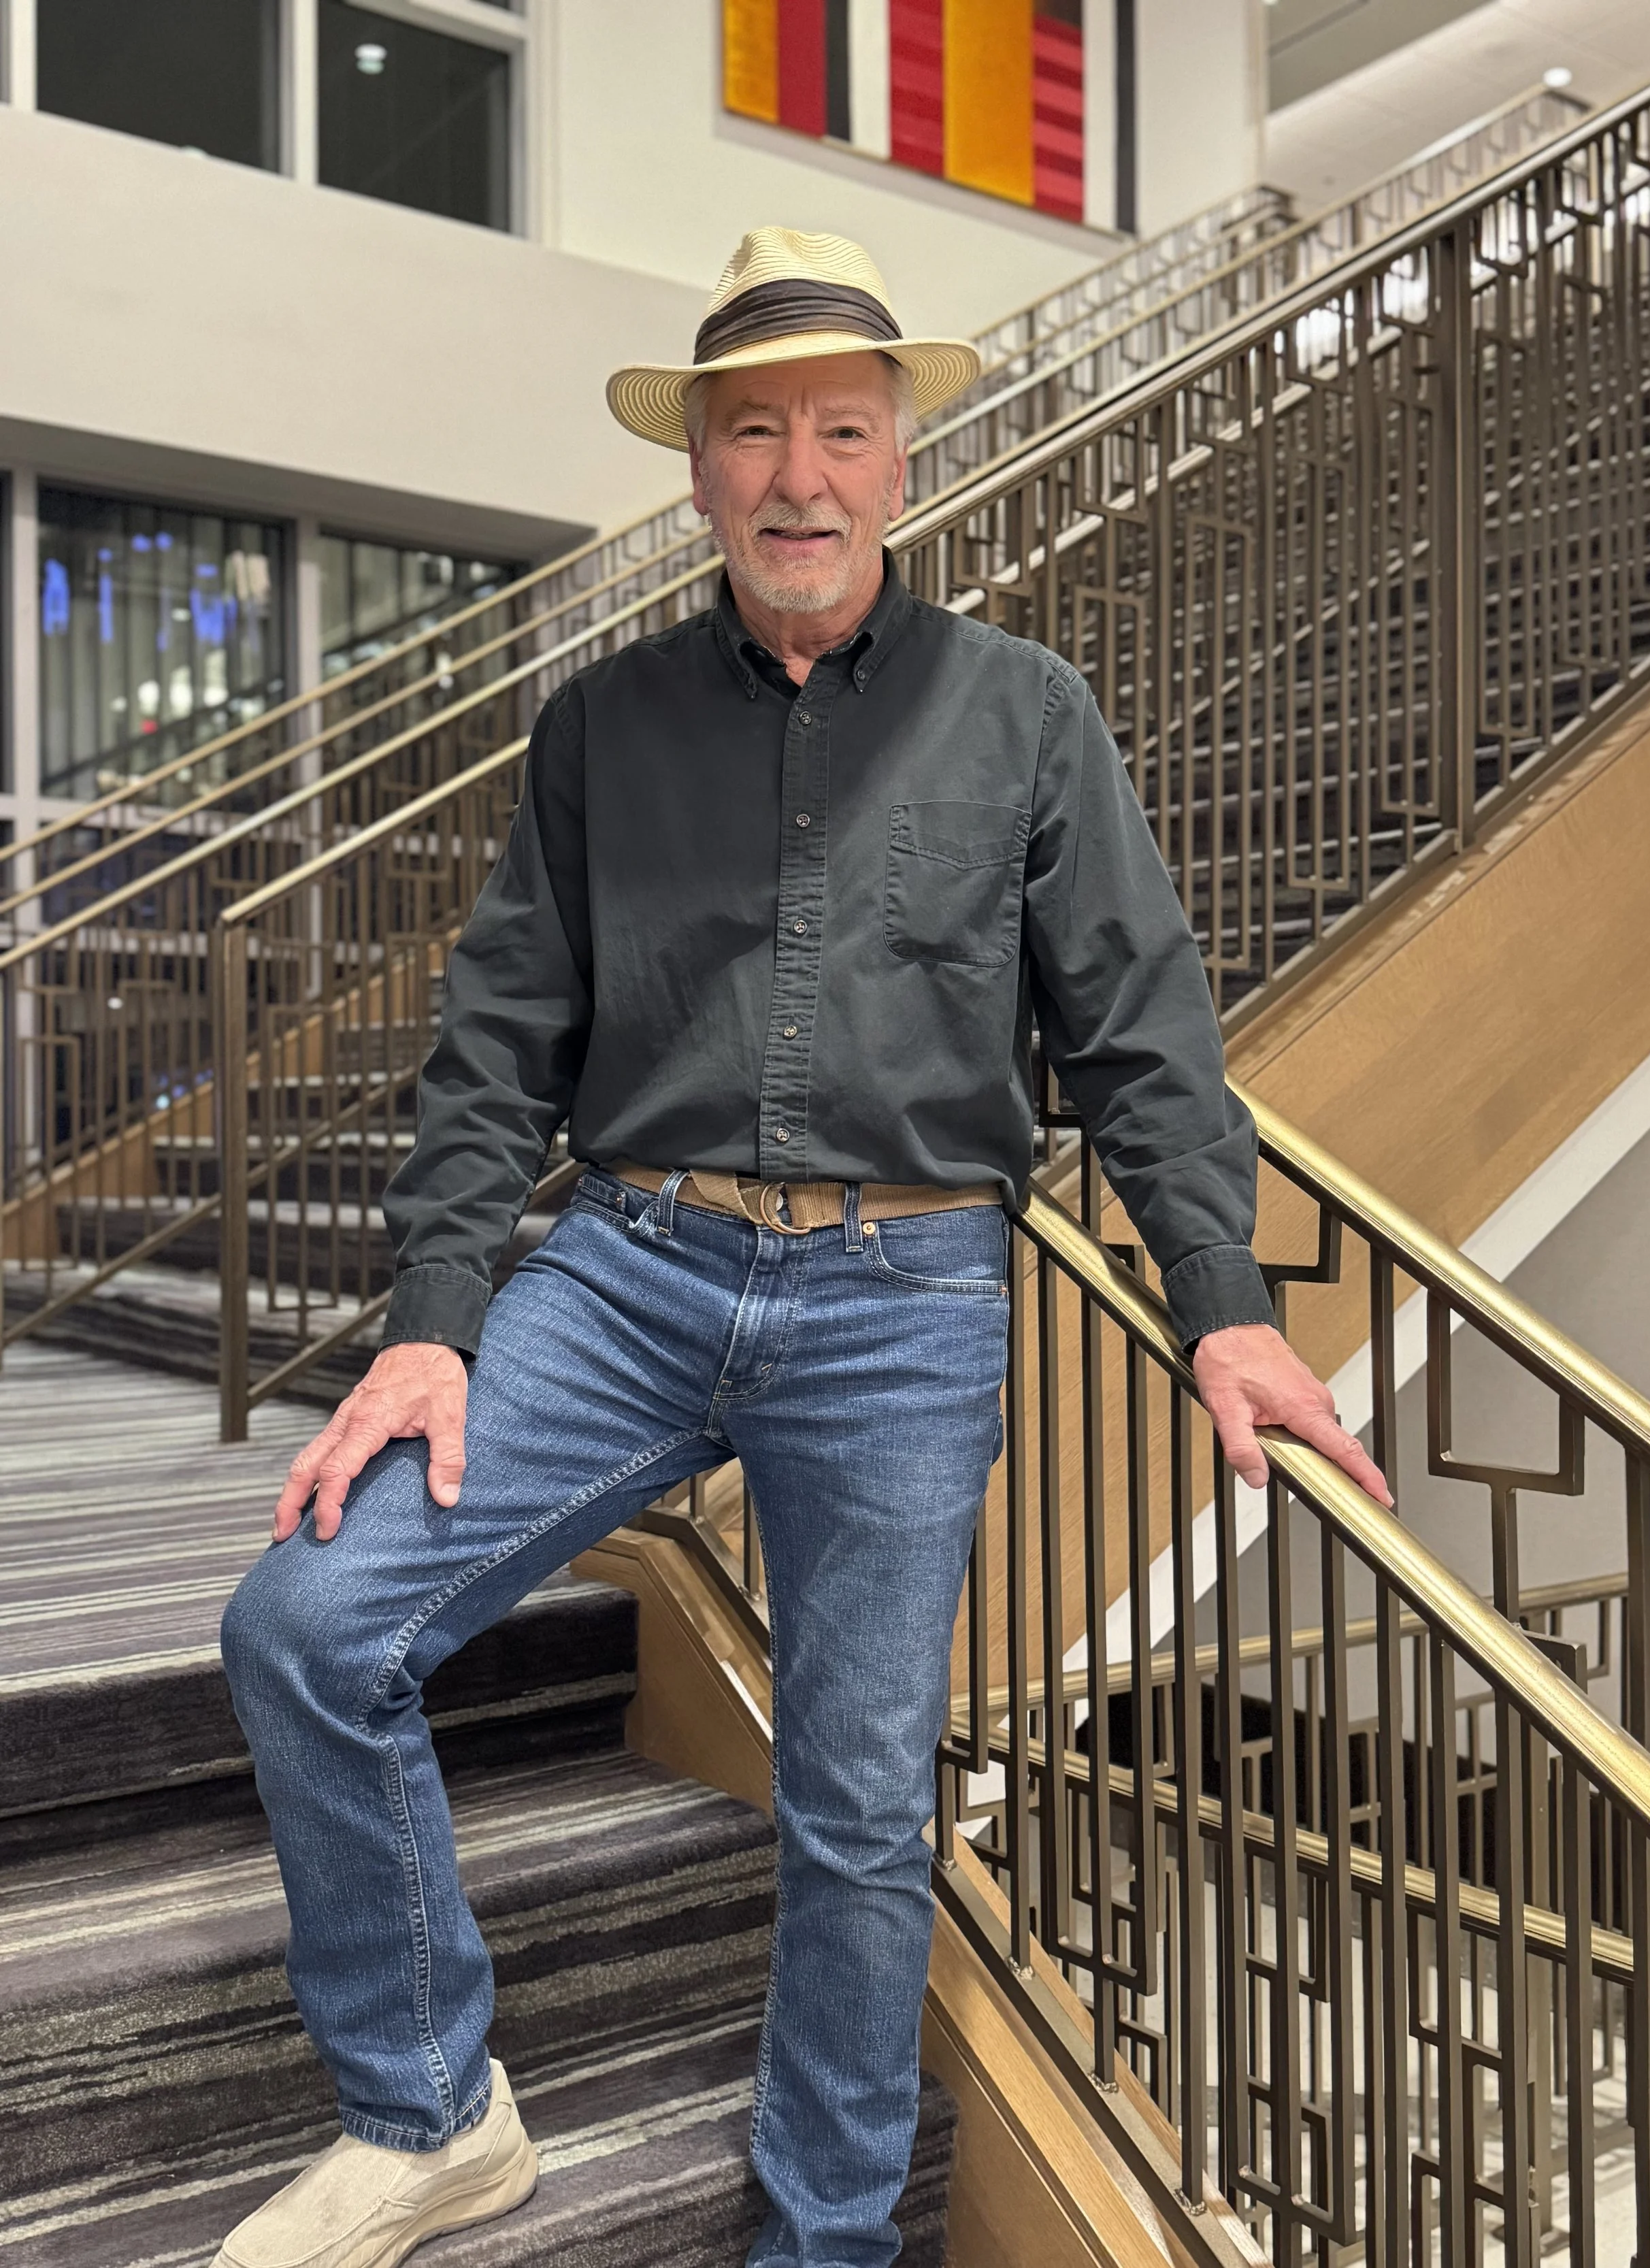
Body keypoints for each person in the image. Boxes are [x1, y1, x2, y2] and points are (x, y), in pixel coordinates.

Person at [216, 228, 1390, 2268]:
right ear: (696, 470)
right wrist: (430, 1323)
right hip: (633, 1263)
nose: (797, 475)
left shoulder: (1023, 715)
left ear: (900, 464)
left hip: (905, 1303)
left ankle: (824, 2238)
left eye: (841, 430)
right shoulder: (598, 728)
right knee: (307, 1626)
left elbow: (1141, 1033)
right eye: (753, 431)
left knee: (856, 1807)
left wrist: (1222, 1308)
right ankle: (428, 2101)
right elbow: (500, 1043)